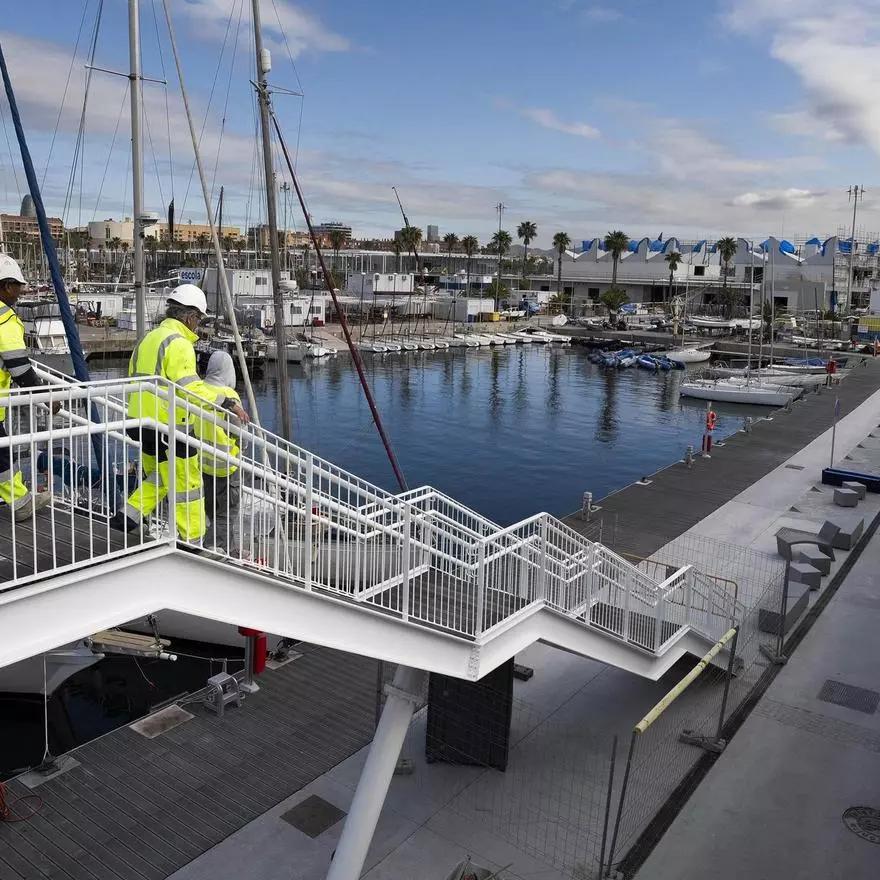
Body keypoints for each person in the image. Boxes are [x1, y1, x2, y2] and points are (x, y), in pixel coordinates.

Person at [114, 284, 249, 546]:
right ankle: (193, 542)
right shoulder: (179, 343)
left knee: (161, 477)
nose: (198, 326)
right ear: (189, 317)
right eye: (198, 319)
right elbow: (191, 390)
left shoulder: (148, 339)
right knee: (188, 485)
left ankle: (127, 517)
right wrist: (227, 403)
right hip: (169, 426)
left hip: (139, 422)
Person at [0, 254, 60, 521]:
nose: (20, 292)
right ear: (6, 285)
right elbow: (20, 369)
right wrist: (46, 397)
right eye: (18, 286)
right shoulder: (5, 320)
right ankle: (21, 503)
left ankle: (20, 499)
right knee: (3, 456)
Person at [196, 350, 242, 554]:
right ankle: (214, 547)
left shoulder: (200, 390)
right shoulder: (229, 396)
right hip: (227, 464)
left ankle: (230, 549)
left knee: (213, 509)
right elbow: (239, 429)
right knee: (228, 512)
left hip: (203, 462)